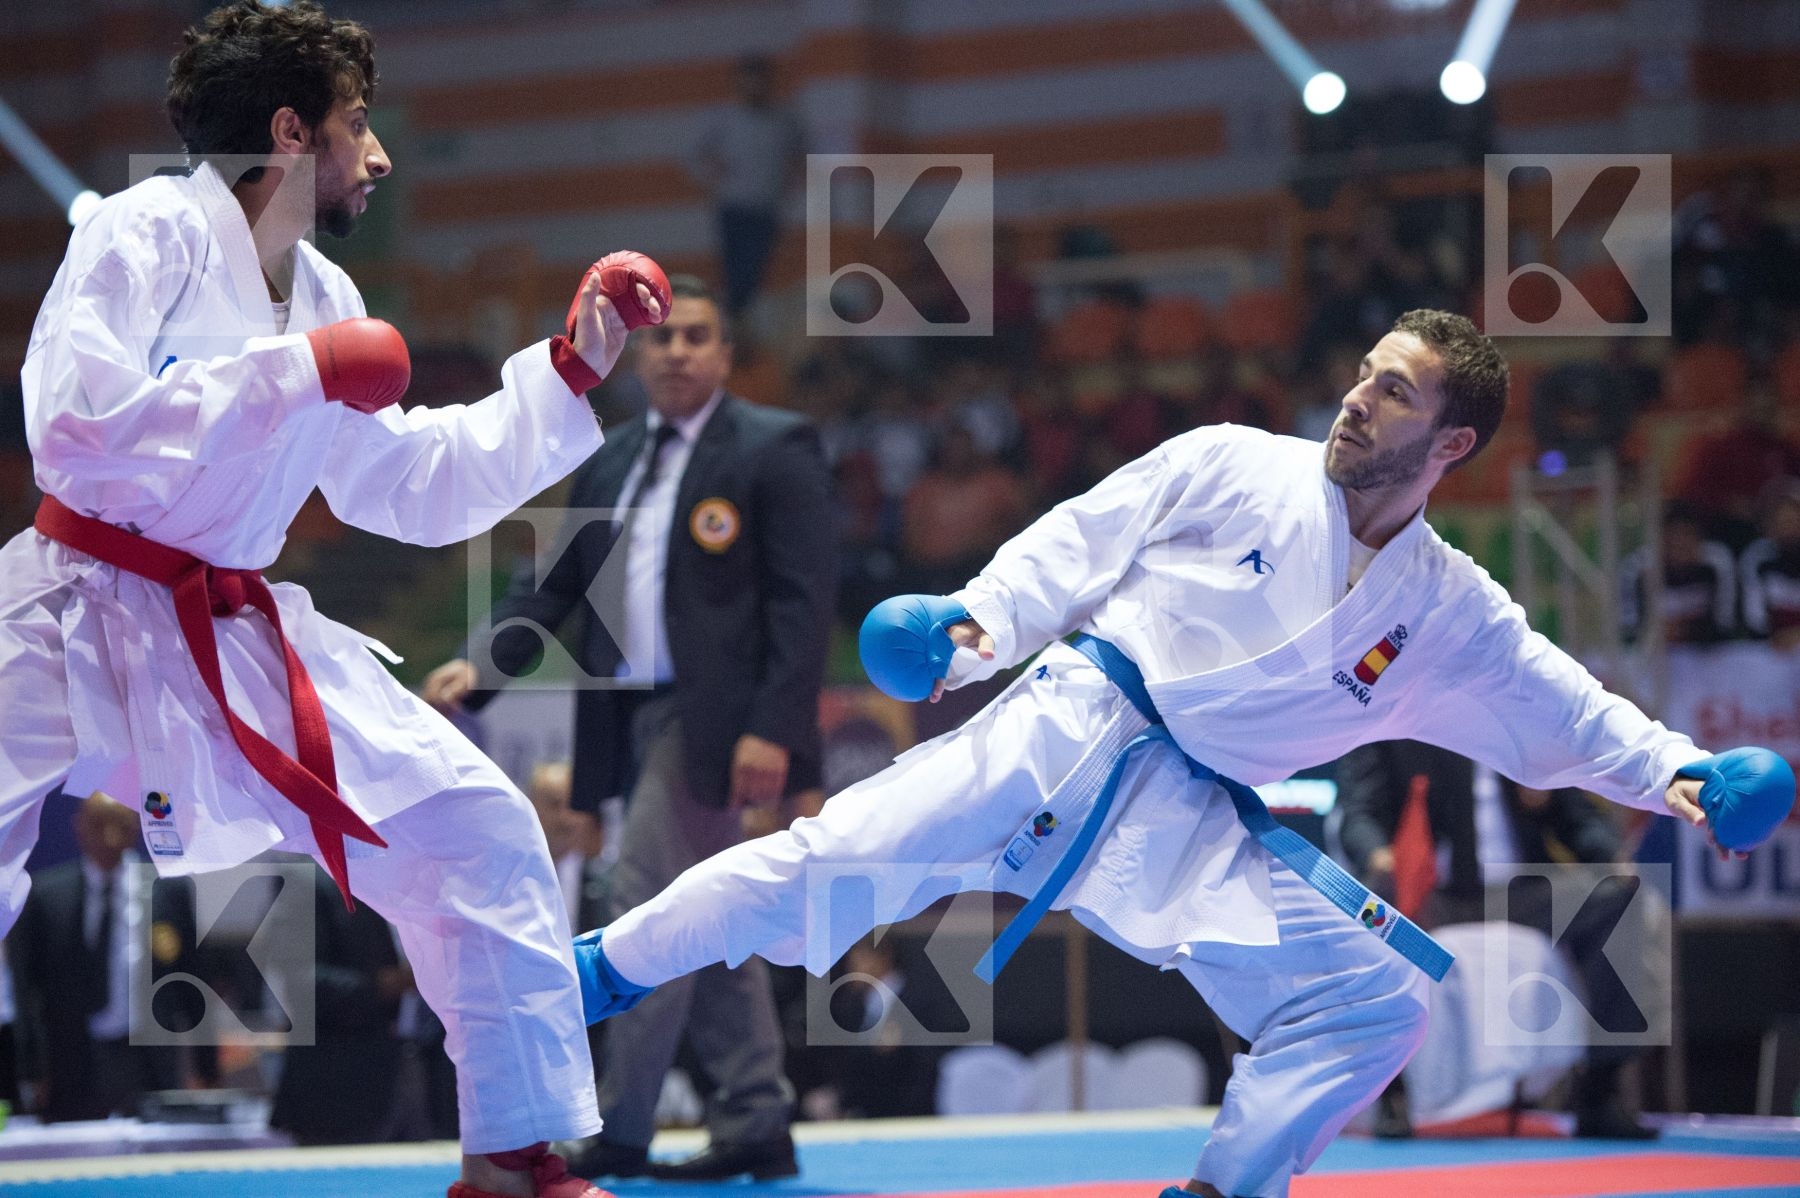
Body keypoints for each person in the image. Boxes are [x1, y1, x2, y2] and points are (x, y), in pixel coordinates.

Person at [572, 309, 1786, 1198]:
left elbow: (1558, 702)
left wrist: (1680, 771)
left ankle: (1220, 1191)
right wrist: (972, 626)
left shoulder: (1448, 607)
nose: (1358, 398)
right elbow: (1079, 539)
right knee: (821, 863)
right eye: (1363, 373)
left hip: (1182, 825)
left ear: (1452, 443)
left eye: (1395, 393)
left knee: (1378, 998)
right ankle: (599, 970)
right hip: (1067, 728)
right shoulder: (1232, 461)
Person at [0, 4, 665, 1195]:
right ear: (292, 129)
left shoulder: (321, 288)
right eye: (360, 122)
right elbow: (71, 429)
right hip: (69, 598)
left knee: (476, 826)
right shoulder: (146, 231)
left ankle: (511, 1157)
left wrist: (564, 371)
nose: (381, 152)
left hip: (228, 616)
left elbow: (409, 484)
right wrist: (291, 374)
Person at [423, 275, 836, 1183]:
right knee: (707, 919)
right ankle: (757, 1119)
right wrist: (483, 663)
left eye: (697, 336)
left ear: (726, 353)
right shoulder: (611, 461)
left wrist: (772, 731)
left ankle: (617, 1128)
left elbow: (804, 608)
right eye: (662, 339)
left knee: (642, 905)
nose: (678, 352)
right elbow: (558, 584)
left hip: (716, 720)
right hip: (630, 714)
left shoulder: (774, 447)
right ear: (639, 355)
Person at [1337, 740, 1669, 1139]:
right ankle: (1390, 1092)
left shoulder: (1522, 725)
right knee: (1375, 906)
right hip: (1430, 892)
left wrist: (1613, 856)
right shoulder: (1395, 723)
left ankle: (1600, 1091)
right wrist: (1378, 856)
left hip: (1520, 893)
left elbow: (1578, 817)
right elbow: (1358, 816)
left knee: (1619, 896)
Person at [9, 793, 202, 1122]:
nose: (111, 836)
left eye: (122, 825)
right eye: (100, 825)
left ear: (137, 829)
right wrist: (32, 1067)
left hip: (150, 1058)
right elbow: (27, 989)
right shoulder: (45, 896)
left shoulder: (168, 891)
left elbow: (194, 979)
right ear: (79, 828)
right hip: (72, 1058)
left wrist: (204, 1061)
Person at [685, 54, 805, 318]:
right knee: (736, 273)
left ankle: (740, 322)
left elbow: (802, 153)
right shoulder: (724, 119)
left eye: (759, 80)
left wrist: (792, 186)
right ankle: (733, 322)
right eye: (748, 81)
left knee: (758, 272)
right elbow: (693, 155)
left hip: (768, 207)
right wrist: (712, 179)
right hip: (734, 206)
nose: (754, 86)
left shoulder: (785, 121)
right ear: (739, 83)